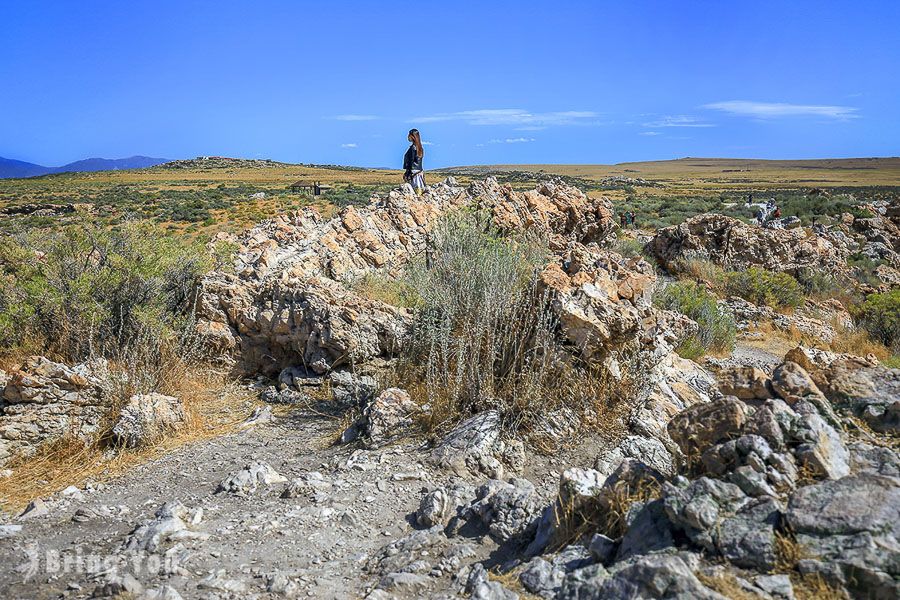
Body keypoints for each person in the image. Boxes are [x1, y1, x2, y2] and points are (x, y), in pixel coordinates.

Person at [403, 129, 426, 195]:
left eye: (409, 135)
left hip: (413, 171)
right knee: (419, 188)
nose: (408, 137)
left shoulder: (413, 148)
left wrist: (407, 172)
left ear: (412, 136)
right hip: (418, 170)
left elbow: (411, 161)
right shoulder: (419, 148)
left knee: (414, 190)